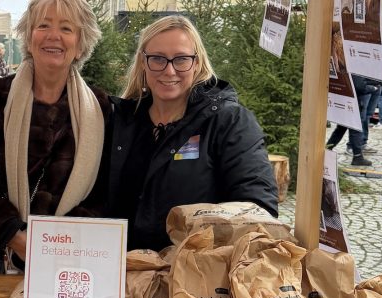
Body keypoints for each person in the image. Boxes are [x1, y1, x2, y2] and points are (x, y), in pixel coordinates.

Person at [0, 0, 109, 271]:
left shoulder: (100, 107)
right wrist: (13, 235)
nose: (53, 35)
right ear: (29, 36)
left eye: (66, 28)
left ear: (81, 44)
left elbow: (104, 189)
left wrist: (60, 242)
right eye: (43, 25)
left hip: (68, 261)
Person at [108, 16, 278, 251]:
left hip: (192, 277)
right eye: (157, 59)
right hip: (122, 274)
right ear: (142, 62)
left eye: (181, 59)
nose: (169, 71)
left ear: (197, 63)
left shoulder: (228, 122)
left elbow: (257, 209)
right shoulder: (120, 120)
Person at [325, 74, 379, 166]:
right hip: (351, 101)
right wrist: (372, 88)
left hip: (345, 98)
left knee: (341, 128)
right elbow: (359, 86)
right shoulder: (354, 65)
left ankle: (327, 149)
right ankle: (357, 157)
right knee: (355, 128)